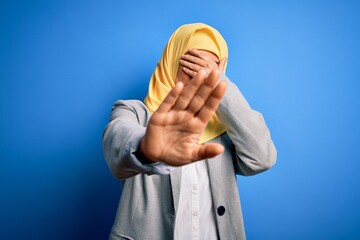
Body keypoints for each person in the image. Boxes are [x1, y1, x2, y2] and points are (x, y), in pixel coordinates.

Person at [102, 23, 277, 240]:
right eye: (191, 64)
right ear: (172, 63)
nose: (200, 77)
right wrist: (146, 148)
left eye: (210, 70)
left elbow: (263, 157)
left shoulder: (224, 129)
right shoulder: (134, 113)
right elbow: (117, 142)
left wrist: (223, 87)